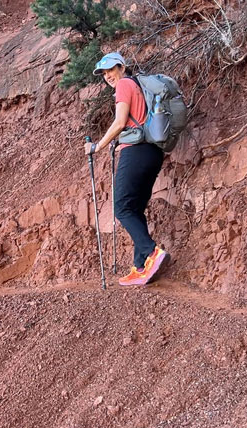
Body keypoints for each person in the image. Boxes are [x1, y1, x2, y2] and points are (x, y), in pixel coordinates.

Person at [84, 52, 170, 286]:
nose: (107, 76)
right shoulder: (138, 85)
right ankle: (140, 267)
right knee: (135, 209)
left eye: (111, 69)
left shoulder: (124, 84)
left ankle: (152, 252)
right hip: (153, 152)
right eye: (104, 73)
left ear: (122, 67)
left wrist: (97, 146)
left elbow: (120, 122)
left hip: (136, 152)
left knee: (122, 208)